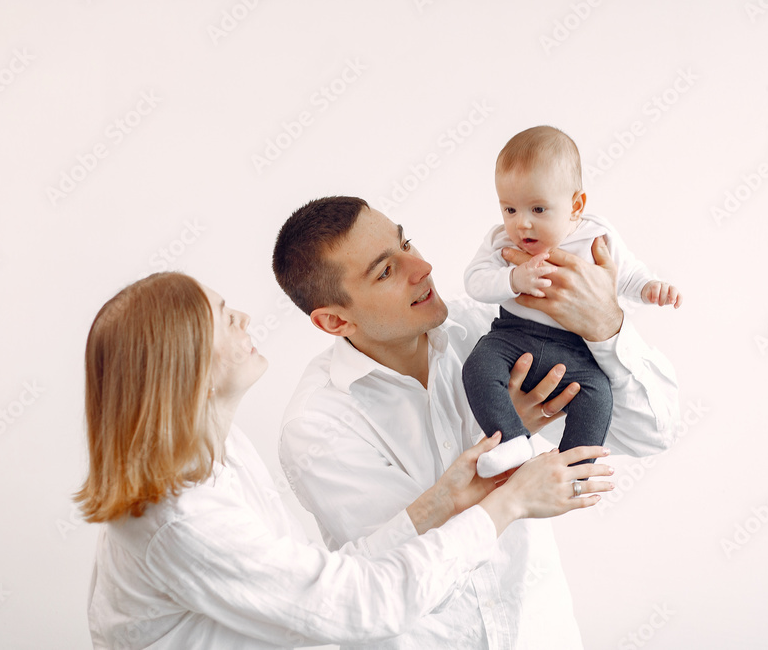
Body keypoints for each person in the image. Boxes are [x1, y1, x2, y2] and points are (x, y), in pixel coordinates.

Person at [76, 271, 614, 650]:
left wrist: (444, 499)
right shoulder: (182, 518)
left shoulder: (219, 452)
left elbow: (331, 578)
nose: (241, 314)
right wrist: (507, 505)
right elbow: (355, 606)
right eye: (220, 315)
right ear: (181, 361)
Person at [273, 196, 680, 648]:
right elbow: (399, 583)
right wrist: (504, 427)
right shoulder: (317, 425)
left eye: (406, 241)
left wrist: (606, 326)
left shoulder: (498, 326)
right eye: (385, 270)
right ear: (334, 321)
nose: (422, 266)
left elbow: (651, 432)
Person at [462, 125, 683, 478]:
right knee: (477, 366)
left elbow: (627, 274)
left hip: (574, 349)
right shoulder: (501, 241)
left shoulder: (596, 235)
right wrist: (512, 278)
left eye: (538, 208)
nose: (522, 225)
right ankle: (512, 442)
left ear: (576, 205)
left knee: (598, 396)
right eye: (510, 209)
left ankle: (575, 470)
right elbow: (474, 282)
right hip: (512, 336)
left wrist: (649, 287)